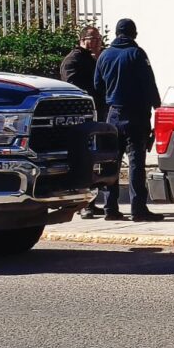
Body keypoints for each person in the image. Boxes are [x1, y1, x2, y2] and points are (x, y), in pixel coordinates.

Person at [93, 18, 163, 222]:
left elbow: (97, 85)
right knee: (136, 163)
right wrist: (158, 107)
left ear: (116, 34)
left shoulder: (104, 55)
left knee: (112, 163)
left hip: (113, 115)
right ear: (134, 34)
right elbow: (149, 84)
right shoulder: (137, 54)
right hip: (136, 115)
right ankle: (138, 209)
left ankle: (110, 208)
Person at [60, 25, 107, 219]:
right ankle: (81, 205)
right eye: (91, 39)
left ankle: (91, 202)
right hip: (81, 119)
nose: (96, 43)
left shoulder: (95, 59)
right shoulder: (73, 60)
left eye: (98, 39)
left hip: (97, 115)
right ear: (81, 40)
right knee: (82, 160)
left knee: (95, 161)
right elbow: (73, 87)